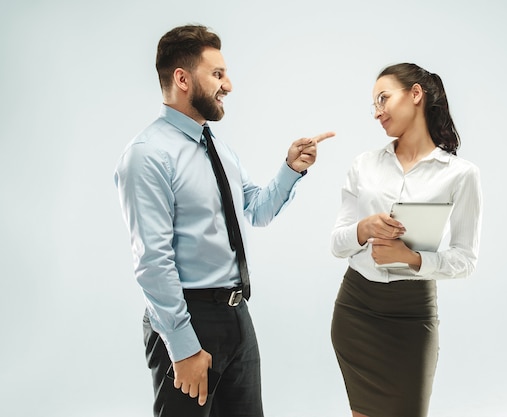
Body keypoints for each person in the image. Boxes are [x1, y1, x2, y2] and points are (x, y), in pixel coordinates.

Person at [114, 24, 334, 417]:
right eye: (217, 74)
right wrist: (183, 347)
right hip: (189, 319)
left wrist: (290, 169)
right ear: (182, 79)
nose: (228, 85)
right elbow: (152, 261)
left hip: (237, 317)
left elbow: (256, 210)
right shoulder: (147, 155)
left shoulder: (217, 148)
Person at [330, 63, 482, 417]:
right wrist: (365, 228)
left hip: (412, 314)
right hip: (356, 309)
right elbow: (337, 243)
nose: (377, 113)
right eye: (374, 105)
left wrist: (412, 259)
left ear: (416, 95)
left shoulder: (461, 175)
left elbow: (466, 259)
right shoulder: (363, 165)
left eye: (383, 99)